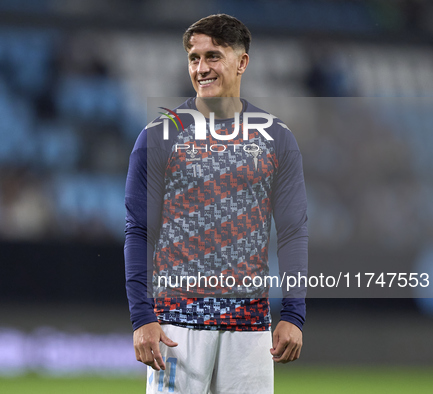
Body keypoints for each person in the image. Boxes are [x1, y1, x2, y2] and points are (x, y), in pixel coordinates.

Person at [125, 14, 308, 394]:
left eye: (213, 56)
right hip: (177, 326)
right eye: (194, 58)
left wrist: (293, 313)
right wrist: (141, 315)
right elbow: (140, 230)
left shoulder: (276, 137)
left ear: (241, 62)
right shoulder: (160, 135)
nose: (201, 68)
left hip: (250, 327)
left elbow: (292, 233)